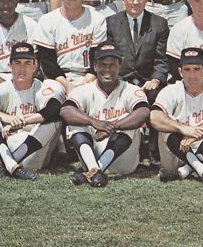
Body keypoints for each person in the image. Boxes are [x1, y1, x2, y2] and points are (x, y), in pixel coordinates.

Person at [0, 42, 65, 180]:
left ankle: (6, 166)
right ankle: (12, 166)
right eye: (17, 63)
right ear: (10, 66)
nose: (22, 68)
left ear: (35, 66)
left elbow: (54, 109)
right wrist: (4, 117)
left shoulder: (41, 88)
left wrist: (23, 121)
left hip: (32, 153)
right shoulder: (4, 87)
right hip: (4, 149)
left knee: (54, 121)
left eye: (27, 63)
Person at [61, 42, 150, 186]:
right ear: (95, 66)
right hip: (91, 155)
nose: (107, 69)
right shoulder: (83, 90)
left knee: (129, 122)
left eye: (112, 64)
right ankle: (95, 170)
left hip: (123, 160)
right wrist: (94, 122)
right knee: (76, 122)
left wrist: (112, 127)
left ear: (119, 66)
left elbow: (143, 112)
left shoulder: (132, 89)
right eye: (103, 64)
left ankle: (93, 171)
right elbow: (66, 111)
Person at [150, 47, 203, 187]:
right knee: (166, 125)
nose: (192, 75)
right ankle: (202, 171)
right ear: (180, 72)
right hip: (176, 153)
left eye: (197, 69)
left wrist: (200, 132)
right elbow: (154, 117)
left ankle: (184, 171)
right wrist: (182, 129)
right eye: (187, 69)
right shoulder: (171, 90)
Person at [33, 0, 107, 94]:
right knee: (49, 97)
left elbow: (98, 58)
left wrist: (85, 84)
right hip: (57, 79)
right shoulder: (47, 20)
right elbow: (47, 62)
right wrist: (67, 86)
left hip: (89, 78)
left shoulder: (97, 19)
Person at [105, 0, 169, 104]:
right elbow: (110, 59)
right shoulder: (111, 23)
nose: (135, 2)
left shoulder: (159, 24)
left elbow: (162, 59)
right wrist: (118, 81)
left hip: (149, 84)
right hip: (120, 82)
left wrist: (155, 79)